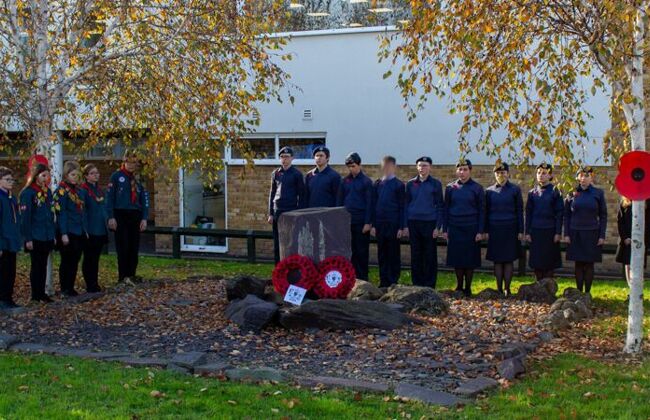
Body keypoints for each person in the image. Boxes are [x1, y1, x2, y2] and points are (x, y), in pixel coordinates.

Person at [106, 150, 149, 283]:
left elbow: (144, 199)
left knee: (133, 247)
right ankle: (122, 277)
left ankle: (131, 274)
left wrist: (144, 218)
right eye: (128, 162)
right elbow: (110, 198)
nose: (131, 165)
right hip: (120, 214)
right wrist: (111, 217)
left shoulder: (139, 178)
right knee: (123, 246)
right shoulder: (116, 176)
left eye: (134, 163)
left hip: (135, 215)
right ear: (124, 162)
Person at [443, 158, 484, 297]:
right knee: (458, 259)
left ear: (470, 170)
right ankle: (459, 285)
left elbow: (482, 211)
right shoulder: (450, 188)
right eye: (460, 169)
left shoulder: (477, 188)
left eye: (465, 169)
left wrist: (480, 230)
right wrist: (445, 229)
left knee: (469, 260)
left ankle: (468, 287)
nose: (462, 172)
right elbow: (446, 209)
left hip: (471, 228)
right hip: (455, 227)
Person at [564, 166, 607, 294]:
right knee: (578, 263)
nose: (583, 178)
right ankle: (578, 292)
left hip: (592, 232)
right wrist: (566, 233)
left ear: (591, 178)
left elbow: (603, 215)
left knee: (589, 264)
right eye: (581, 175)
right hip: (575, 232)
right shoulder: (571, 193)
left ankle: (587, 293)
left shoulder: (598, 193)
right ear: (577, 177)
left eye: (586, 176)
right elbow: (566, 215)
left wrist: (602, 235)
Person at [404, 156, 444, 288]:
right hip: (413, 223)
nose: (422, 168)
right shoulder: (410, 184)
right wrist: (405, 225)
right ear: (417, 167)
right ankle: (417, 284)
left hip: (429, 223)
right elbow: (406, 205)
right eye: (420, 165)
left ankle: (430, 285)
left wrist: (438, 227)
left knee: (430, 255)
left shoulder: (435, 184)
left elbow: (440, 206)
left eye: (425, 165)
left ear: (430, 167)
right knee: (416, 254)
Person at [484, 162, 524, 296]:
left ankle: (507, 288)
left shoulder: (515, 190)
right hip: (494, 229)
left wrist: (520, 230)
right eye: (498, 173)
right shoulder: (489, 191)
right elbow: (486, 211)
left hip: (510, 228)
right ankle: (499, 288)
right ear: (495, 174)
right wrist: (485, 230)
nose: (501, 175)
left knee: (508, 259)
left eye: (503, 172)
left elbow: (519, 210)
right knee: (497, 260)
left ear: (508, 174)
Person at [20, 163, 56, 303]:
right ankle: (36, 295)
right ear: (36, 175)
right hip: (35, 235)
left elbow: (51, 215)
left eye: (48, 175)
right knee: (36, 266)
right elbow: (25, 218)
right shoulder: (28, 192)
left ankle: (42, 293)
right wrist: (28, 238)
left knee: (43, 265)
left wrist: (52, 235)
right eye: (43, 175)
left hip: (46, 234)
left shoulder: (47, 192)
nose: (46, 178)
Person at [371, 156, 406, 287]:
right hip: (380, 224)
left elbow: (402, 207)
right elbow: (374, 205)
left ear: (393, 167)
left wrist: (401, 227)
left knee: (393, 253)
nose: (386, 168)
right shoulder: (378, 184)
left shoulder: (398, 185)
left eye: (388, 165)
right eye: (383, 165)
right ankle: (383, 280)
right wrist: (373, 224)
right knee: (382, 253)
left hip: (394, 224)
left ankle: (393, 280)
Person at [525, 163, 563, 280]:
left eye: (544, 173)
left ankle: (549, 289)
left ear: (550, 175)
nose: (541, 175)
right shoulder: (532, 193)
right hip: (536, 231)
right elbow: (528, 213)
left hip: (550, 232)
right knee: (537, 262)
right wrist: (527, 232)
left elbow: (559, 213)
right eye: (539, 173)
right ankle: (538, 289)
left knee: (549, 262)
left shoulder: (556, 191)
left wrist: (557, 232)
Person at [337, 152, 373, 281]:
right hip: (347, 221)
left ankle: (362, 278)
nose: (351, 169)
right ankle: (349, 277)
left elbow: (370, 204)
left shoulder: (367, 182)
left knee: (361, 251)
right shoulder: (344, 181)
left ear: (359, 164)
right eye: (349, 166)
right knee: (348, 251)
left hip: (361, 221)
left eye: (353, 166)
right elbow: (339, 202)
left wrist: (368, 222)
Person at [54, 161, 87, 297]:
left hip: (78, 229)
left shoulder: (78, 191)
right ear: (66, 175)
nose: (75, 177)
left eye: (77, 174)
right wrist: (64, 233)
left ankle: (71, 287)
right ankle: (64, 288)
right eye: (72, 174)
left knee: (75, 260)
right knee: (67, 260)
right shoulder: (61, 191)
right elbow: (61, 213)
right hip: (67, 230)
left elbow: (81, 211)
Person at [267, 146, 304, 264]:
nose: (284, 159)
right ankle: (278, 269)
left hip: (291, 211)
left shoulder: (297, 174)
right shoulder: (276, 173)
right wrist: (270, 213)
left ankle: (291, 268)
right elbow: (272, 193)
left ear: (292, 158)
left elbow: (302, 195)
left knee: (291, 242)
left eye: (287, 157)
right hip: (277, 210)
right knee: (278, 242)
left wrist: (299, 213)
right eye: (282, 157)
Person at [80, 164, 107, 293]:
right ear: (86, 176)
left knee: (96, 258)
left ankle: (94, 282)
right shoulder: (84, 190)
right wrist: (85, 229)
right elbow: (83, 211)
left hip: (100, 228)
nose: (96, 175)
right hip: (90, 229)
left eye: (97, 173)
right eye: (92, 173)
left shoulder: (99, 190)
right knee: (89, 257)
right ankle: (89, 283)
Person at [0, 167, 21, 309]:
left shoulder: (12, 197)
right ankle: (2, 299)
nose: (11, 182)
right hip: (3, 240)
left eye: (11, 180)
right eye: (7, 180)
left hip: (12, 240)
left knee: (11, 271)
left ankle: (8, 297)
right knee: (2, 271)